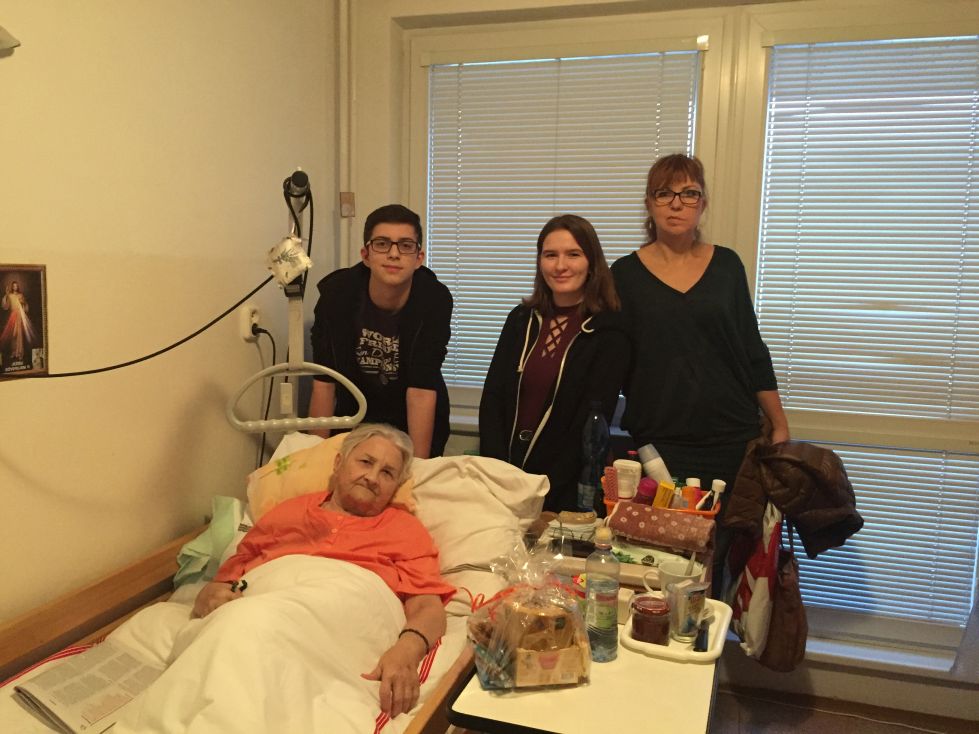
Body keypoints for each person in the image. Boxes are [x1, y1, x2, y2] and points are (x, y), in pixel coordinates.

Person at [118, 424, 455, 730]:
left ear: (395, 487)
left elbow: (428, 607)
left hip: (346, 607)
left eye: (387, 473)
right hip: (264, 600)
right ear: (339, 464)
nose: (372, 477)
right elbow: (231, 573)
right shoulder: (288, 511)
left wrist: (407, 649)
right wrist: (211, 592)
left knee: (249, 625)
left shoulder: (404, 529)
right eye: (365, 462)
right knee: (239, 627)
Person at [610, 153, 790, 594]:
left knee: (720, 567)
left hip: (731, 439)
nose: (676, 203)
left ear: (703, 203)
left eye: (688, 193)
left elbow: (751, 347)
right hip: (660, 446)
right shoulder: (624, 275)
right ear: (649, 204)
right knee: (661, 568)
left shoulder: (727, 266)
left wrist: (779, 422)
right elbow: (611, 360)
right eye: (664, 193)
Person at [479, 214, 630, 513]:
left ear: (592, 263)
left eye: (573, 254)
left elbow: (589, 424)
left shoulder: (609, 331)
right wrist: (497, 472)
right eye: (550, 255)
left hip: (565, 486)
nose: (560, 266)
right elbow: (493, 398)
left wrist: (544, 488)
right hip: (504, 476)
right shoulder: (520, 319)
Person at [308, 205, 452, 458]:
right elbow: (325, 383)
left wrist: (418, 467)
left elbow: (421, 390)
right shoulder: (337, 296)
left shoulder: (434, 300)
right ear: (366, 255)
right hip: (353, 415)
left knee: (409, 477)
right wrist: (314, 460)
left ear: (419, 258)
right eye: (382, 244)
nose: (394, 254)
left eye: (406, 245)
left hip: (412, 417)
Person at [1, 280, 35, 366]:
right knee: (13, 334)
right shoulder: (10, 295)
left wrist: (23, 303)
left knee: (19, 334)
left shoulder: (21, 295)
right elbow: (6, 306)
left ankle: (20, 353)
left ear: (17, 287)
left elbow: (25, 307)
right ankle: (14, 352)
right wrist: (6, 295)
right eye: (14, 286)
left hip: (20, 316)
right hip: (12, 316)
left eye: (16, 286)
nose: (15, 287)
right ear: (12, 287)